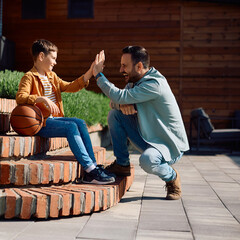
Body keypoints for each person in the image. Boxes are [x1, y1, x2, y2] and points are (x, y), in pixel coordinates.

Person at [92, 46, 189, 200]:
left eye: (125, 66)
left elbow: (118, 96)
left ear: (139, 66)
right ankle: (122, 165)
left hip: (168, 146)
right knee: (115, 115)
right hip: (147, 137)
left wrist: (98, 75)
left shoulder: (154, 84)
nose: (120, 69)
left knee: (148, 161)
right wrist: (122, 104)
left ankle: (172, 177)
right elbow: (115, 101)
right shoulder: (134, 82)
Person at [16, 39, 115, 184]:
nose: (55, 62)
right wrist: (41, 99)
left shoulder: (52, 77)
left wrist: (91, 72)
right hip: (40, 123)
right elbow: (20, 97)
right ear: (41, 56)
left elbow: (71, 87)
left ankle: (92, 169)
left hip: (52, 120)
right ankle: (90, 168)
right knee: (71, 126)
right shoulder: (29, 77)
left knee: (80, 123)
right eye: (54, 58)